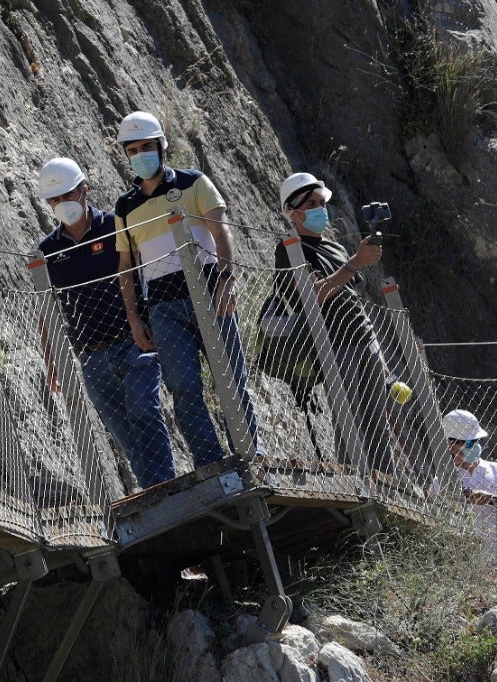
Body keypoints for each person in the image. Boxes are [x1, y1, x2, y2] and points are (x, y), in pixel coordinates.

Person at [114, 110, 259, 467]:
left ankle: (251, 459)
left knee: (232, 380)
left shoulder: (194, 182)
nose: (141, 154)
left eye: (147, 146)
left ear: (161, 147)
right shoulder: (124, 207)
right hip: (163, 308)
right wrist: (134, 317)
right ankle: (211, 467)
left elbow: (221, 230)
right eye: (133, 150)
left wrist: (227, 279)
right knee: (183, 391)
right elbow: (126, 267)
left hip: (211, 293)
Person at [37, 156, 176, 489]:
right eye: (54, 200)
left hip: (134, 340)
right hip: (91, 355)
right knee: (123, 431)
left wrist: (156, 318)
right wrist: (50, 358)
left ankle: (169, 487)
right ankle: (157, 491)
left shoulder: (115, 225)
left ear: (85, 190)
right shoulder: (49, 250)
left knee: (144, 409)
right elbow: (47, 308)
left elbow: (146, 272)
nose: (61, 204)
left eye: (67, 195)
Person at [269, 172, 401, 475]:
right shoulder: (290, 249)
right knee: (349, 420)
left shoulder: (336, 248)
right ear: (292, 211)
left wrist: (378, 354)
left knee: (377, 420)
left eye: (321, 202)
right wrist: (356, 261)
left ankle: (388, 487)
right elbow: (313, 295)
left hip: (363, 338)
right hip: (332, 344)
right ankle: (355, 486)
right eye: (311, 204)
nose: (320, 209)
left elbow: (353, 301)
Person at [443, 409, 497, 564]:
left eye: (477, 440)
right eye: (470, 442)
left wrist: (492, 499)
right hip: (472, 564)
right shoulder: (443, 480)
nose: (476, 445)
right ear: (451, 445)